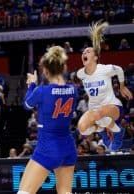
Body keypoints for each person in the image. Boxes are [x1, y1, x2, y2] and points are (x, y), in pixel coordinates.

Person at [17, 46, 77, 194]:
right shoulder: (74, 89)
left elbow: (26, 105)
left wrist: (31, 84)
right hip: (68, 146)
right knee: (65, 192)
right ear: (63, 67)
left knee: (24, 192)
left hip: (48, 147)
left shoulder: (42, 90)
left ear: (45, 70)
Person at [76, 21, 133, 150]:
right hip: (96, 111)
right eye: (83, 52)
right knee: (82, 129)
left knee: (99, 113)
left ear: (96, 57)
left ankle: (117, 132)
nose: (84, 53)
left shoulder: (104, 69)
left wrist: (122, 86)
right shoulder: (81, 74)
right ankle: (102, 130)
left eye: (88, 51)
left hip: (113, 107)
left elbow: (119, 69)